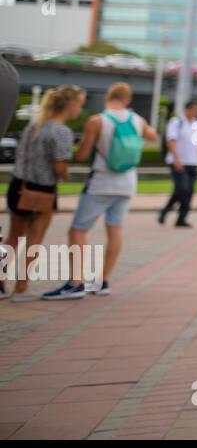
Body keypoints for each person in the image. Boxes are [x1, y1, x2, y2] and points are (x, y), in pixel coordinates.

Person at [44, 82, 158, 300]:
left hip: (101, 182)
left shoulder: (97, 120)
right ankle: (102, 281)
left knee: (78, 230)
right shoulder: (137, 120)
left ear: (107, 97)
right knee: (114, 230)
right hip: (127, 183)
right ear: (127, 100)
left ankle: (75, 283)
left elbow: (81, 155)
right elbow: (152, 137)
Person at [2, 85, 84, 298]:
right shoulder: (62, 131)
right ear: (69, 105)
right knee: (34, 240)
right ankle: (21, 288)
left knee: (12, 238)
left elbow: (20, 153)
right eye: (79, 105)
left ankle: (1, 284)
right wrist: (65, 176)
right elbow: (59, 169)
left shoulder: (33, 125)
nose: (80, 109)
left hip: (19, 186)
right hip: (42, 192)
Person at [159, 99, 197, 227]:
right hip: (178, 162)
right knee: (182, 189)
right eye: (194, 110)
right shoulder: (176, 122)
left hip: (193, 162)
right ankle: (167, 210)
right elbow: (171, 141)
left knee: (189, 191)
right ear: (187, 109)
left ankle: (181, 218)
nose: (196, 112)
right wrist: (177, 159)